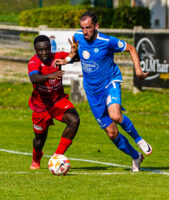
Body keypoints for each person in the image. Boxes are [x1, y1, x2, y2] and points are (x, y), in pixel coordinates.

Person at [57, 12, 152, 172]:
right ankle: (136, 156)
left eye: (88, 28)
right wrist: (68, 59)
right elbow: (81, 57)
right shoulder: (78, 37)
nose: (85, 31)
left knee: (115, 115)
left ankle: (139, 139)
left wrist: (139, 71)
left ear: (96, 26)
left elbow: (131, 48)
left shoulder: (107, 41)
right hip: (92, 92)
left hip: (110, 82)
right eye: (82, 28)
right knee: (112, 133)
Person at [28, 35, 80, 169]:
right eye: (40, 50)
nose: (44, 53)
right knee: (40, 139)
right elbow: (34, 78)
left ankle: (57, 157)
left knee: (74, 120)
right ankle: (36, 160)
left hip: (58, 101)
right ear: (35, 50)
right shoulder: (33, 63)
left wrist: (76, 52)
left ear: (50, 48)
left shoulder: (57, 56)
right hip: (41, 106)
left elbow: (77, 59)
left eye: (47, 49)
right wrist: (49, 76)